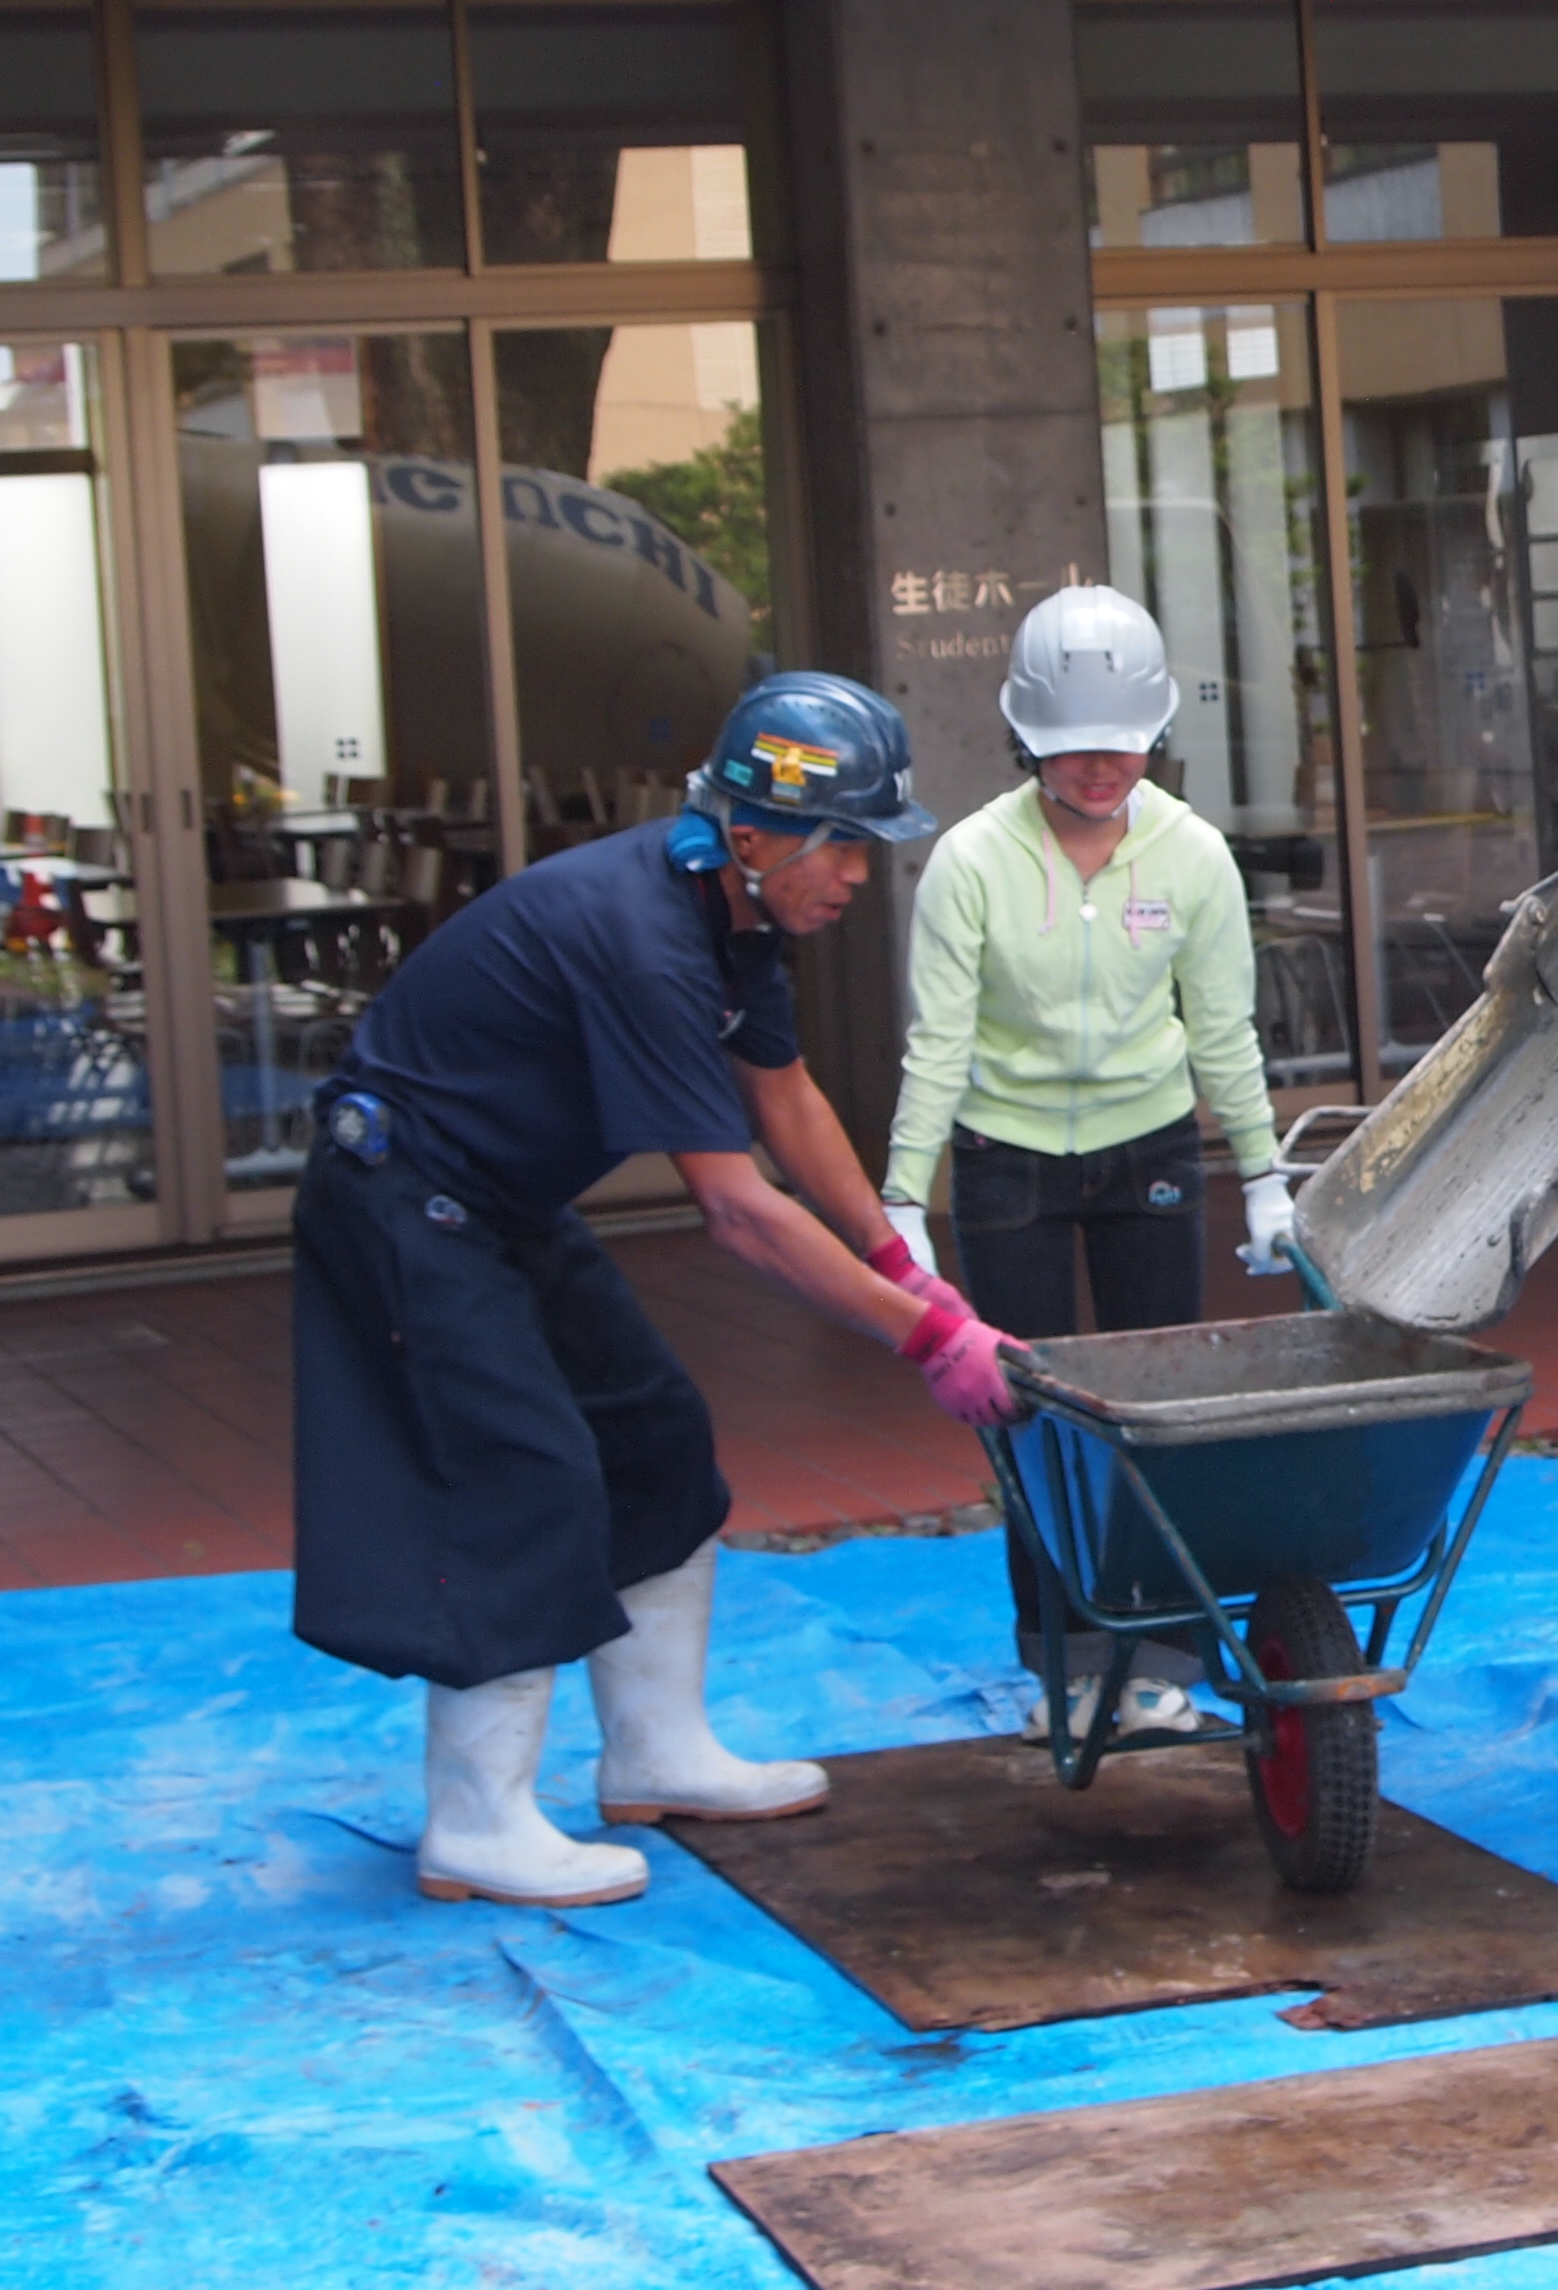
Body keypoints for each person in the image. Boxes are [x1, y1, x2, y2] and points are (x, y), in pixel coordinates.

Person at [291, 672, 1015, 1910]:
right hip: (401, 1196)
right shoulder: (641, 937)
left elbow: (784, 1099)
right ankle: (474, 1821)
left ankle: (655, 1752)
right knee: (519, 1470)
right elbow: (735, 1208)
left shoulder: (734, 918)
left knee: (656, 1436)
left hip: (502, 1202)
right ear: (753, 832)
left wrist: (902, 1262)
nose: (858, 875)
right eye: (844, 846)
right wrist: (924, 1343)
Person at [883, 586, 1297, 1745]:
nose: (1099, 767)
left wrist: (1262, 1174)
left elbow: (1224, 1027)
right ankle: (1062, 1664)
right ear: (1027, 739)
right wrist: (902, 1200)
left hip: (1150, 1148)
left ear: (1156, 730)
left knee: (1157, 1414)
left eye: (1120, 741)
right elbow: (941, 1040)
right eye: (1071, 748)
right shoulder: (970, 861)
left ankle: (1162, 1662)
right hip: (1003, 1159)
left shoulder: (1194, 855)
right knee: (1031, 1417)